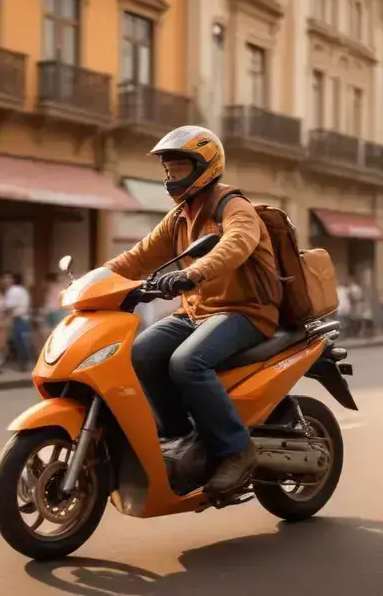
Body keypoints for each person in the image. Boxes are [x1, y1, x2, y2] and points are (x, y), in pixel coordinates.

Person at [103, 125, 281, 496]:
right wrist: (95, 279)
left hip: (246, 311)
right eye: (168, 170)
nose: (171, 177)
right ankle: (181, 438)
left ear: (206, 166)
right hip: (199, 312)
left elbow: (237, 243)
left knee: (187, 363)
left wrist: (194, 272)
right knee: (140, 352)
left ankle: (236, 450)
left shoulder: (233, 206)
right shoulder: (180, 216)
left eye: (179, 168)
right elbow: (137, 257)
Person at [2, 272, 33, 369]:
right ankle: (24, 363)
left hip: (19, 319)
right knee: (23, 341)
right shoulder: (21, 290)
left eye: (7, 279)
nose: (4, 281)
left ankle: (24, 363)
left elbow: (9, 307)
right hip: (23, 318)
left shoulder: (12, 290)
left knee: (21, 342)